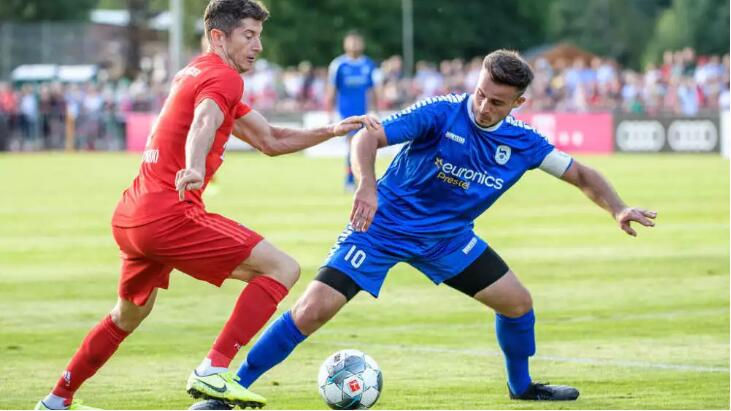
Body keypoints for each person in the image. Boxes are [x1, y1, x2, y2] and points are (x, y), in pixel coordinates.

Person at [233, 49, 658, 402]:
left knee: (517, 304)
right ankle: (235, 387)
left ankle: (522, 387)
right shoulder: (441, 112)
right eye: (481, 94)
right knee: (312, 310)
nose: (483, 107)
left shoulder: (524, 142)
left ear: (518, 103)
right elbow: (367, 136)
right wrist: (366, 186)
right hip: (381, 228)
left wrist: (617, 208)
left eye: (497, 102)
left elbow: (581, 174)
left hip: (447, 240)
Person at [34, 1, 378, 410]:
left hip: (133, 215)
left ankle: (56, 400)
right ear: (218, 37)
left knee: (126, 315)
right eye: (249, 36)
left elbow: (270, 140)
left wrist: (332, 130)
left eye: (259, 36)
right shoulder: (224, 77)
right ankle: (213, 369)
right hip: (168, 213)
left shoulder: (196, 72)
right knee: (282, 268)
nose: (258, 46)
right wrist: (195, 166)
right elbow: (204, 120)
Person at [325, 31, 379, 192]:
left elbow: (373, 89)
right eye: (351, 42)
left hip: (365, 112)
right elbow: (332, 89)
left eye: (357, 42)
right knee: (353, 146)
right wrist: (330, 112)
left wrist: (375, 110)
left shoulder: (368, 64)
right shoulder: (339, 65)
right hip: (346, 113)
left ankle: (360, 180)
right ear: (345, 45)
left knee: (366, 147)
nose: (354, 45)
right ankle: (351, 180)